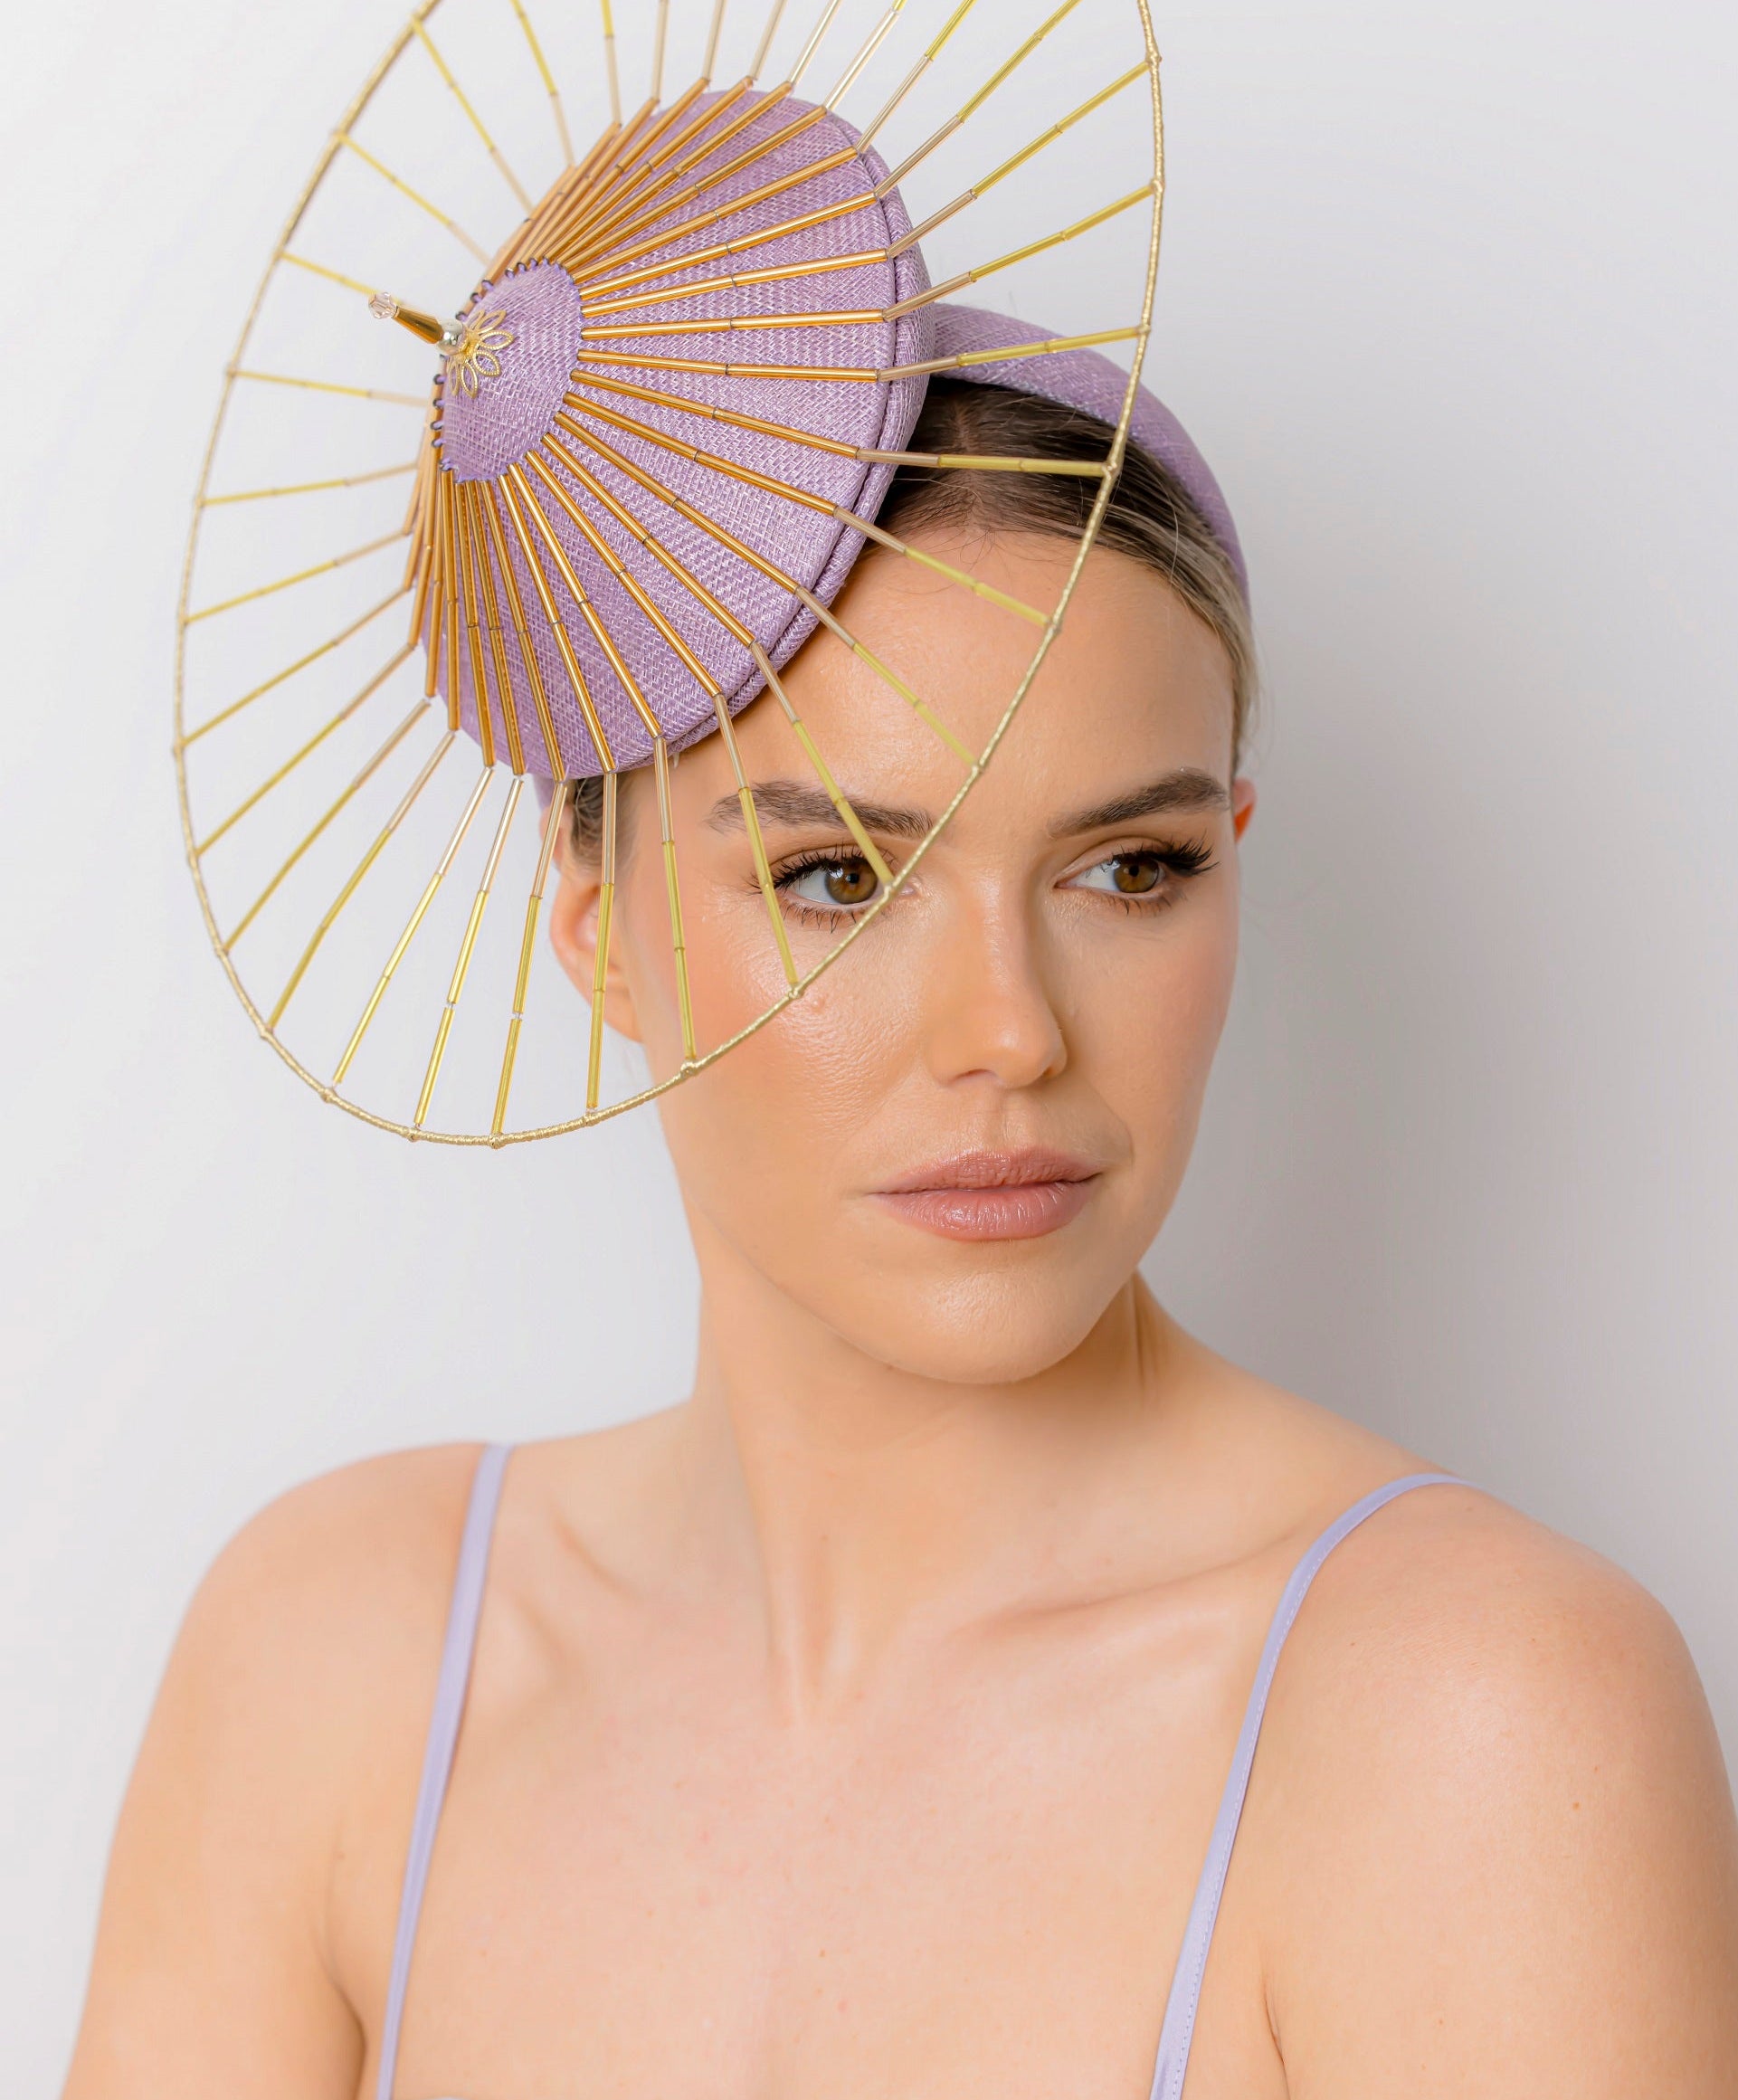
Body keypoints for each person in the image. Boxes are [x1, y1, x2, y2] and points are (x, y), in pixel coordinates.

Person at [66, 342, 1738, 2096]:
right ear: (599, 932)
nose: (1011, 1029)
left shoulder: (1471, 1721)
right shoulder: (345, 1658)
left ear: (1232, 853)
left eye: (1130, 868)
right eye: (836, 878)